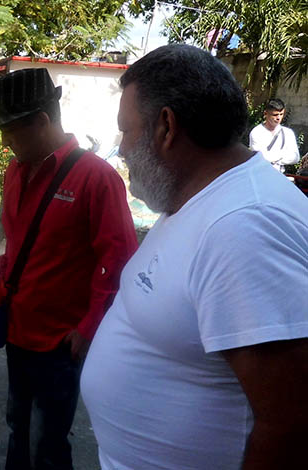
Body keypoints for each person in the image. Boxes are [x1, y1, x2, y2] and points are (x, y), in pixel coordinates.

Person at [81, 44, 308, 470]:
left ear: (166, 127)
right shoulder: (195, 198)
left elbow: (293, 424)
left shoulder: (244, 227)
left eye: (126, 130)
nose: (122, 149)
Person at [0, 68, 137, 470]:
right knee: (18, 424)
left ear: (41, 121)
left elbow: (119, 259)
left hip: (59, 341)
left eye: (11, 130)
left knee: (48, 442)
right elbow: (15, 241)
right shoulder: (14, 173)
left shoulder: (96, 178)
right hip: (18, 329)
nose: (5, 141)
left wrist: (89, 326)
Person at [249, 98, 301, 172]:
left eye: (281, 114)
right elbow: (260, 158)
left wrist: (273, 158)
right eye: (275, 115)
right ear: (265, 114)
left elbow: (295, 158)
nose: (278, 118)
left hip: (279, 174)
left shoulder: (288, 133)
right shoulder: (257, 132)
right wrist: (283, 154)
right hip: (260, 174)